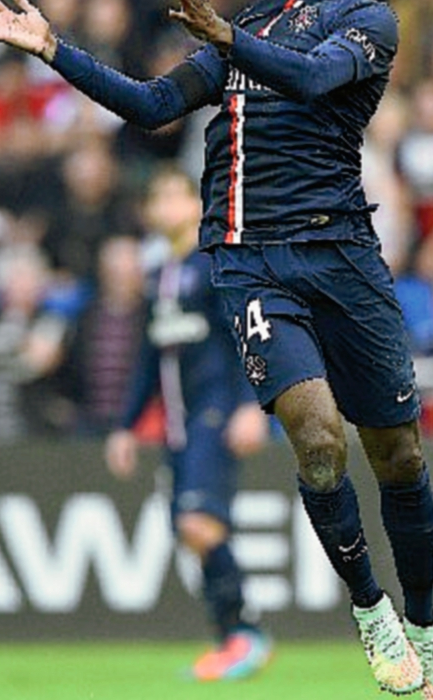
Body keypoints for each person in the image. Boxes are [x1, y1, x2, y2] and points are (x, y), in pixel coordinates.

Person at [0, 0, 433, 697]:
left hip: (343, 255)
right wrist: (54, 50)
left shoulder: (370, 21)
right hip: (248, 260)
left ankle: (428, 629)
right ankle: (370, 611)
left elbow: (309, 79)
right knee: (318, 437)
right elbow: (154, 105)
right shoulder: (248, 18)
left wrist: (229, 39)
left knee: (398, 454)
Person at [104, 168, 272, 680]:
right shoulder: (160, 275)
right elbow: (150, 361)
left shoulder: (215, 264)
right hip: (177, 425)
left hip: (215, 411)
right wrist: (126, 425)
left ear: (196, 204)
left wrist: (251, 403)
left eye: (177, 195)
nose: (167, 206)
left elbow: (246, 333)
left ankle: (245, 635)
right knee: (192, 527)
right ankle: (230, 639)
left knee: (198, 523)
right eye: (159, 197)